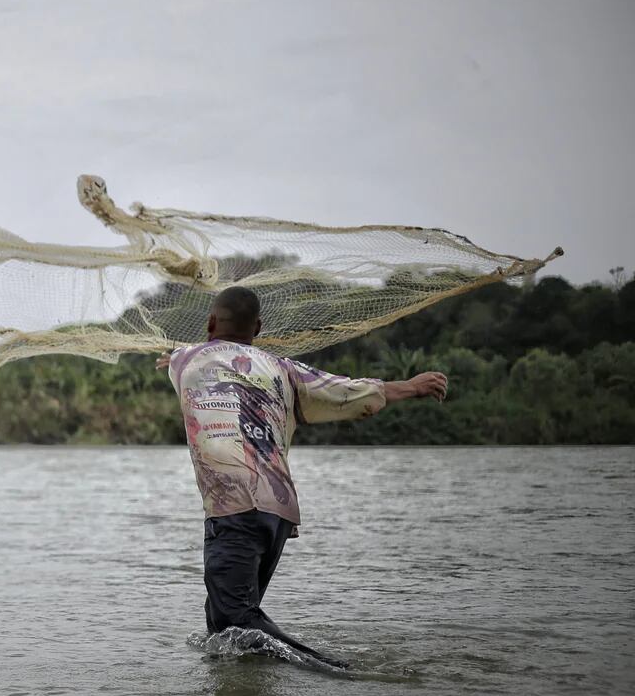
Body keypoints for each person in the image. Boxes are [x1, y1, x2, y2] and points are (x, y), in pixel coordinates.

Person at [158, 285, 448, 667]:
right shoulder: (284, 368)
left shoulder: (185, 359)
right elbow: (345, 391)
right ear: (258, 328)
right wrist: (410, 386)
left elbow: (179, 358)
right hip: (276, 510)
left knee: (234, 624)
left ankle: (335, 671)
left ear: (210, 322)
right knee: (223, 627)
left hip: (234, 507)